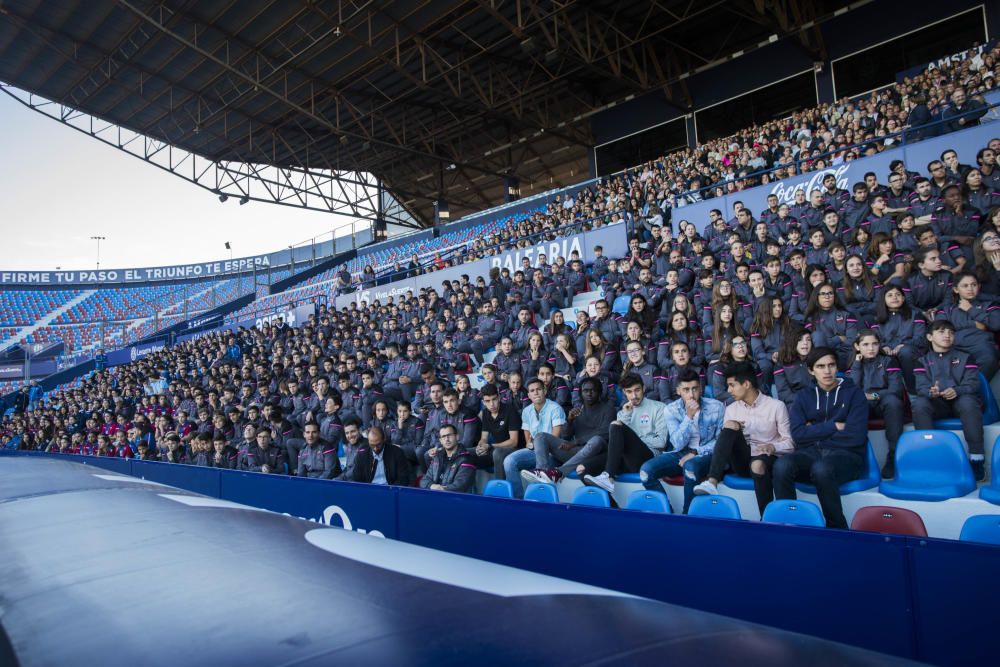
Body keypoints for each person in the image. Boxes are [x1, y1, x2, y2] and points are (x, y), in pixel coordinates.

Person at [775, 347, 869, 529]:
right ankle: (788, 524)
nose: (827, 371)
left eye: (831, 365)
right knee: (782, 465)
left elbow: (855, 436)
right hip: (812, 454)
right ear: (811, 370)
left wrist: (815, 432)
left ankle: (837, 529)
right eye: (820, 366)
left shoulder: (854, 394)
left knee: (822, 468)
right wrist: (833, 427)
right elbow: (798, 434)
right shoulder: (804, 396)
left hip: (847, 456)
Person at [692, 362, 794, 517]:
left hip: (766, 459)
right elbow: (724, 443)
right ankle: (712, 481)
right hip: (741, 460)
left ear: (746, 384)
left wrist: (773, 447)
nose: (729, 390)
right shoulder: (731, 409)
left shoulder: (776, 406)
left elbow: (790, 443)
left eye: (732, 385)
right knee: (731, 425)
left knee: (758, 464)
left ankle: (766, 517)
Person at [639, 369, 725, 513]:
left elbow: (720, 441)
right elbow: (678, 444)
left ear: (701, 388)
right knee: (645, 472)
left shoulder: (716, 407)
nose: (691, 394)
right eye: (686, 390)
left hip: (707, 454)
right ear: (678, 391)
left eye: (695, 389)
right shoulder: (671, 410)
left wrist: (696, 452)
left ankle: (688, 515)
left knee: (690, 467)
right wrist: (688, 417)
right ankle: (667, 512)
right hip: (680, 453)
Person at [911, 320, 986, 480]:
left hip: (960, 401)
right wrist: (931, 392)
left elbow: (973, 384)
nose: (947, 335)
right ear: (929, 337)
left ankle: (976, 458)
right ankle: (930, 458)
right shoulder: (921, 361)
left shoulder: (966, 357)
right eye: (942, 332)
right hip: (937, 403)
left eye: (951, 332)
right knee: (920, 403)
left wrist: (957, 390)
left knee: (968, 402)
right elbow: (921, 388)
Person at [582, 373, 668, 493]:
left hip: (648, 458)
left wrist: (635, 437)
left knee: (615, 425)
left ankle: (608, 476)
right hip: (625, 459)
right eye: (629, 392)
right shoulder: (623, 413)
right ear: (624, 392)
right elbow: (618, 443)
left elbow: (661, 442)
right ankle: (612, 507)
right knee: (583, 468)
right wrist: (627, 416)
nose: (634, 395)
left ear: (643, 388)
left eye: (637, 390)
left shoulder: (659, 408)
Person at [520, 376, 615, 484]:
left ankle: (558, 472)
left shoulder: (608, 409)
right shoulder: (579, 410)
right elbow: (566, 436)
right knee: (540, 436)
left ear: (599, 392)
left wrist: (575, 442)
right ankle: (542, 472)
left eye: (593, 390)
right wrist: (569, 421)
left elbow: (605, 434)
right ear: (580, 393)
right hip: (575, 452)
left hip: (595, 455)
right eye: (586, 391)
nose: (589, 394)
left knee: (596, 440)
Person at [847, 330, 904, 479]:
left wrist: (874, 395)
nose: (871, 348)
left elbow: (896, 389)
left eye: (874, 344)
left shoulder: (889, 361)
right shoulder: (853, 364)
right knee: (854, 405)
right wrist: (857, 365)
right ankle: (855, 457)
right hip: (863, 404)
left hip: (883, 402)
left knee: (893, 402)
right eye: (865, 344)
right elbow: (852, 390)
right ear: (857, 346)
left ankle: (893, 455)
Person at [503, 377, 567, 497]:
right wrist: (529, 443)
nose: (536, 392)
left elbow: (555, 438)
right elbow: (528, 438)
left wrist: (539, 449)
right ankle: (518, 499)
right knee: (509, 461)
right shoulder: (526, 411)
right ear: (529, 394)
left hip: (553, 453)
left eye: (538, 389)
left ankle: (540, 498)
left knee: (540, 460)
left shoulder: (555, 408)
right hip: (534, 451)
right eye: (532, 391)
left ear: (545, 391)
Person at [474, 385, 522, 479]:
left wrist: (491, 446)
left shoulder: (510, 410)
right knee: (467, 453)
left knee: (498, 453)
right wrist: (481, 446)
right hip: (496, 448)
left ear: (499, 397)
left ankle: (500, 489)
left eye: (494, 399)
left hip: (516, 449)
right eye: (487, 401)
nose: (492, 404)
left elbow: (514, 442)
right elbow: (484, 437)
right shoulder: (485, 413)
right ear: (483, 402)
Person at [420, 423, 476, 493]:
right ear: (440, 441)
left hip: (457, 500)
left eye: (449, 435)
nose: (447, 439)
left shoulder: (467, 458)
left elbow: (461, 485)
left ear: (457, 437)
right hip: (436, 496)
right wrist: (432, 486)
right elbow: (424, 481)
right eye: (443, 436)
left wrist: (441, 489)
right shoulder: (437, 457)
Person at [348, 426, 413, 486]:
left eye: (378, 445)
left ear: (384, 439)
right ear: (368, 441)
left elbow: (403, 478)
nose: (375, 449)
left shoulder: (397, 452)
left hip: (391, 491)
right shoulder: (362, 454)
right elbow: (356, 479)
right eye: (372, 445)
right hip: (369, 491)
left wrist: (390, 490)